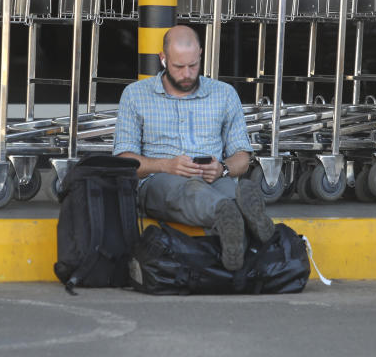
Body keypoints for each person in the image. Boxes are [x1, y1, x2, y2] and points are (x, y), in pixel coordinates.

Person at [112, 24, 275, 271]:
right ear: (163, 59)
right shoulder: (135, 95)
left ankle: (239, 214)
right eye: (179, 67)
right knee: (190, 190)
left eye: (193, 65)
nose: (187, 73)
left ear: (200, 54)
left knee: (225, 188)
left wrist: (221, 168)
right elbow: (125, 161)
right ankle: (232, 213)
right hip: (160, 180)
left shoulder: (224, 94)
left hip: (214, 179)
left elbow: (242, 157)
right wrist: (167, 165)